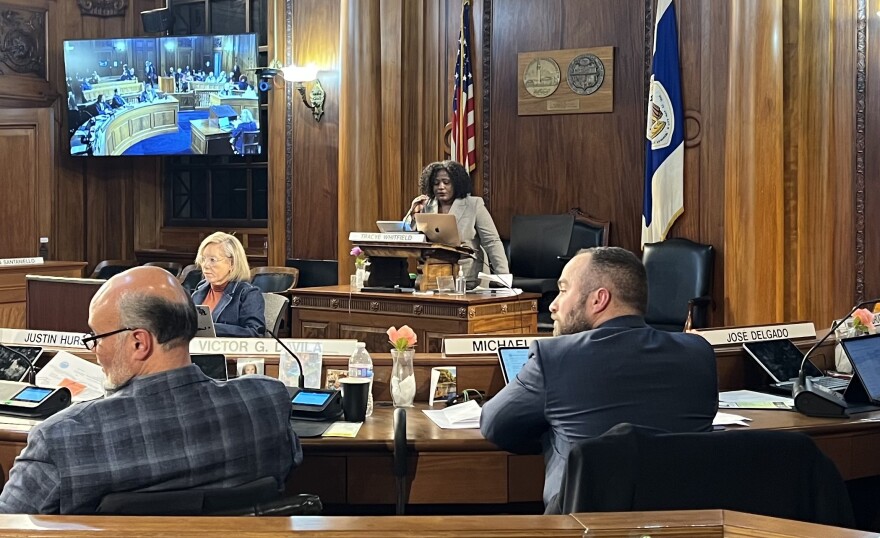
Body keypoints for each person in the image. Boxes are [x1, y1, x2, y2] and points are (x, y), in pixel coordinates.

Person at [0, 266, 300, 514]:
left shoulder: (61, 438)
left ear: (139, 343)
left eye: (97, 337)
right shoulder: (267, 403)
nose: (95, 348)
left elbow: (8, 523)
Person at [479, 246, 718, 510]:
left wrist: (553, 432)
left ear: (598, 299)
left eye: (564, 289)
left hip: (579, 529)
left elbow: (494, 425)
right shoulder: (698, 353)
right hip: (685, 527)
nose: (553, 305)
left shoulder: (554, 357)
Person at [405, 160, 509, 287]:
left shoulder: (474, 204)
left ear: (457, 183)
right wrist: (412, 213)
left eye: (446, 182)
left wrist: (503, 277)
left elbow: (492, 241)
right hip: (431, 275)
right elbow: (408, 237)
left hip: (465, 276)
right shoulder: (426, 205)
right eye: (436, 183)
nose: (441, 187)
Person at [191, 231, 265, 337]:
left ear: (232, 263)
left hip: (227, 353)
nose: (205, 265)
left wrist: (210, 328)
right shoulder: (200, 288)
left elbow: (255, 333)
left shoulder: (248, 294)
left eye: (212, 260)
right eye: (203, 259)